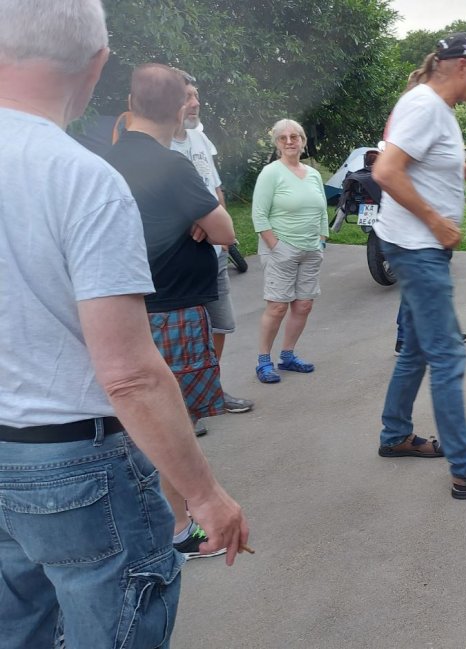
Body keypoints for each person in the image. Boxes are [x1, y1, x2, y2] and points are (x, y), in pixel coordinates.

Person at [0, 2, 247, 646]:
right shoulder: (80, 177)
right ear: (97, 64)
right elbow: (130, 374)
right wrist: (204, 495)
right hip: (72, 458)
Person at [372, 32, 466, 499]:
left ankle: (395, 434)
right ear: (461, 66)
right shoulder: (425, 106)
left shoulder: (435, 107)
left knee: (418, 350)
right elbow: (386, 171)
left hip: (415, 244)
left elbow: (438, 166)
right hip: (418, 247)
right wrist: (435, 220)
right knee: (447, 354)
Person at [105, 62, 241, 560]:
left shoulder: (105, 159)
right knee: (167, 424)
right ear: (180, 109)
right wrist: (196, 218)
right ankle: (179, 529)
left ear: (132, 103)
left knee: (133, 422)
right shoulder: (172, 165)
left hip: (121, 305)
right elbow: (225, 230)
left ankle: (150, 521)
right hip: (171, 307)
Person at [170, 68, 255, 426]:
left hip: (214, 253)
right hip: (183, 254)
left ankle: (208, 391)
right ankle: (180, 407)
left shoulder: (199, 139)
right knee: (185, 333)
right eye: (188, 96)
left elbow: (215, 188)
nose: (196, 102)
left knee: (219, 326)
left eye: (196, 95)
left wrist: (216, 219)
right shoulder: (161, 146)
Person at [251, 119, 329, 383]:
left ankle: (287, 356)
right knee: (277, 307)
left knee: (304, 305)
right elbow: (259, 215)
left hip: (311, 249)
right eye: (282, 138)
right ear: (277, 143)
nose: (289, 141)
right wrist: (276, 246)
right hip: (281, 249)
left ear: (303, 141)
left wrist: (321, 240)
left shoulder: (313, 174)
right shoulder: (271, 173)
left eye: (294, 136)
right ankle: (264, 361)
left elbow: (321, 211)